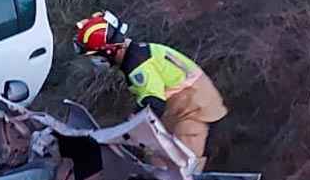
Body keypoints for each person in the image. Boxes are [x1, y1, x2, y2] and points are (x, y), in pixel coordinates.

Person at [73, 10, 228, 171]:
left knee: (182, 170)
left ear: (108, 50)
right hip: (186, 106)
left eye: (94, 55)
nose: (95, 61)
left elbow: (154, 103)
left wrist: (128, 130)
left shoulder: (137, 65)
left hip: (194, 112)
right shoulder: (138, 53)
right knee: (155, 160)